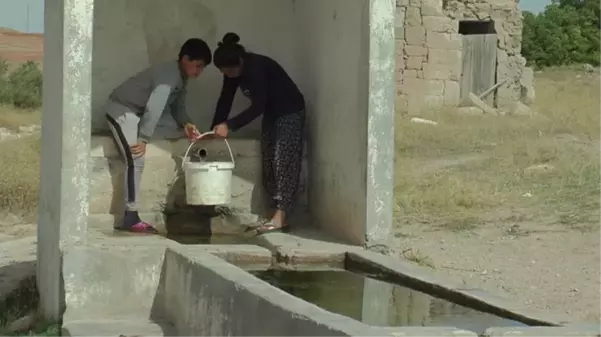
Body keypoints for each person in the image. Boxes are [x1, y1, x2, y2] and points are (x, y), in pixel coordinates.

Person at [104, 38, 212, 234]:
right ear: (185, 59)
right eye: (197, 66)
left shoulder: (181, 76)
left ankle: (131, 216)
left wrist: (186, 123)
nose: (198, 71)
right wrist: (143, 139)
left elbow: (177, 106)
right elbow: (155, 107)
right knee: (135, 157)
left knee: (176, 132)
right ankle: (131, 216)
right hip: (121, 109)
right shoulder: (169, 75)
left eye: (201, 68)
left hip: (138, 114)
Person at [210, 32, 305, 235]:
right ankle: (272, 214)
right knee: (269, 158)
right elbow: (225, 99)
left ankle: (281, 216)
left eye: (230, 70)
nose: (228, 75)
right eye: (223, 72)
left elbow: (258, 106)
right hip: (272, 113)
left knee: (284, 160)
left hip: (290, 110)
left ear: (240, 62)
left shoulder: (256, 68)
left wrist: (230, 125)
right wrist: (215, 127)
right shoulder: (232, 72)